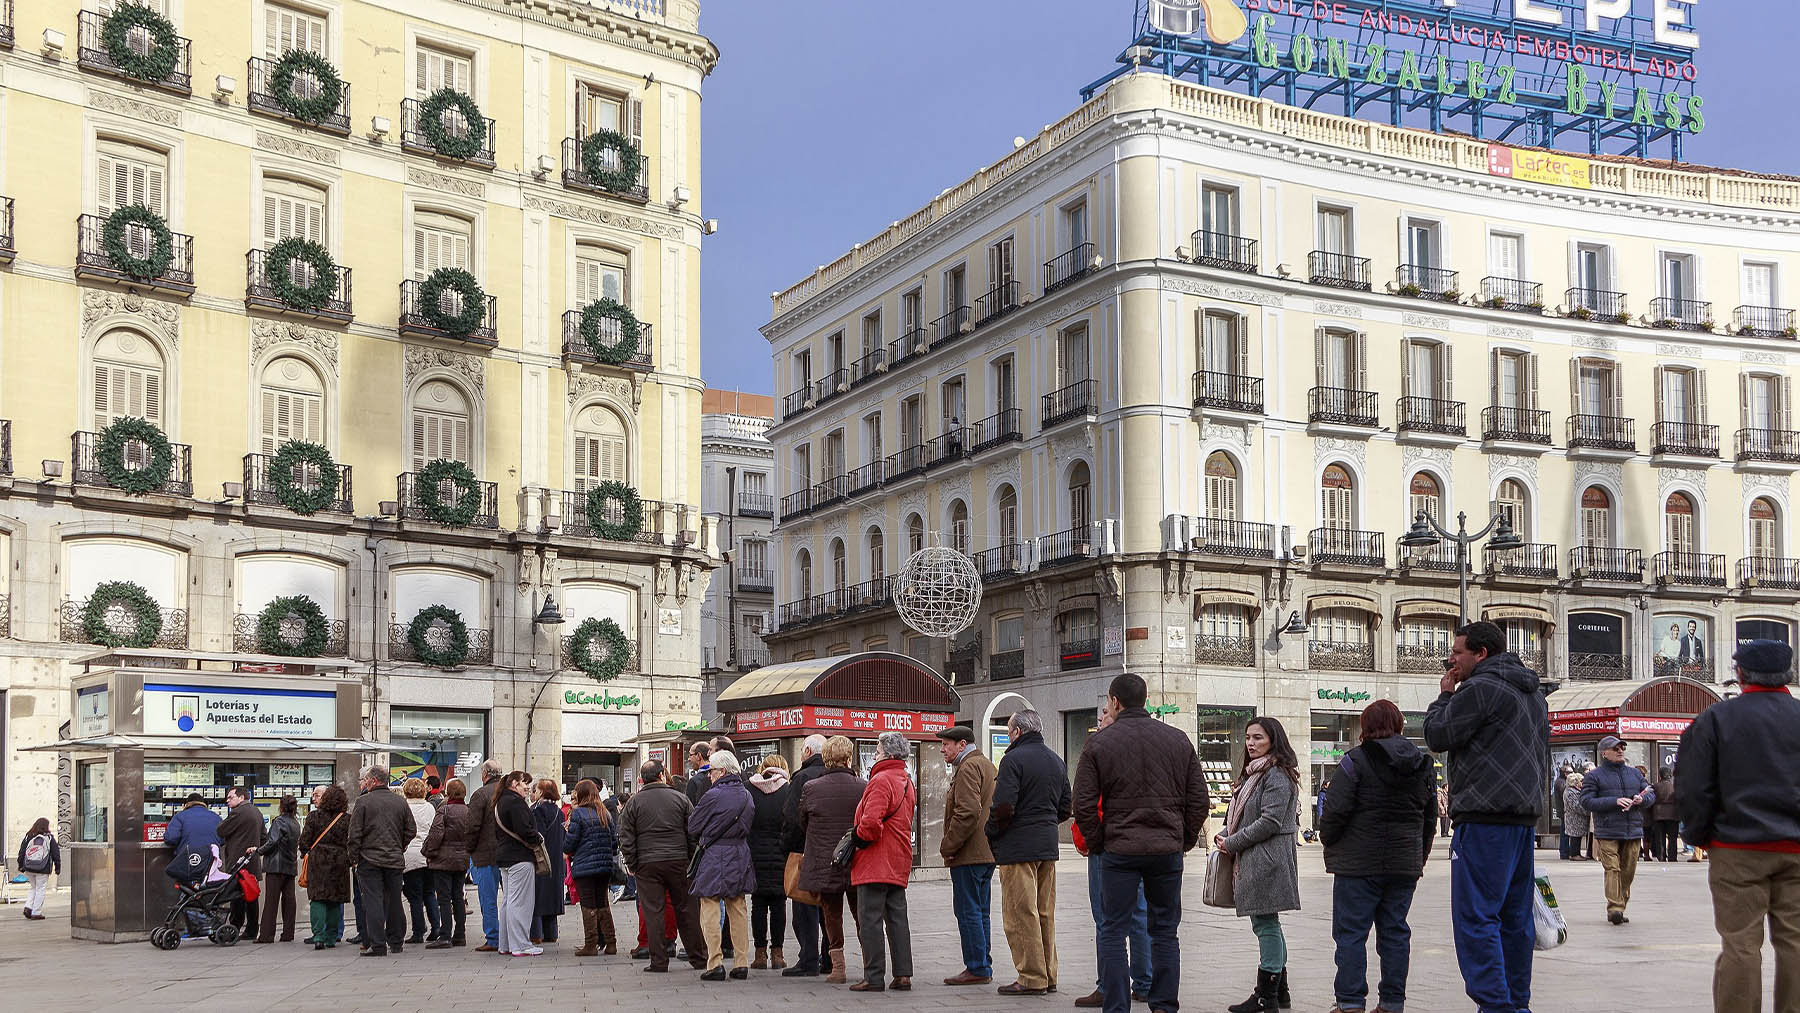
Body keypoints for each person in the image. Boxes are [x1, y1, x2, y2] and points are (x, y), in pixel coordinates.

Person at [1423, 620, 1549, 1013]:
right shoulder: (1533, 694)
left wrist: (1444, 697)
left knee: (1476, 917)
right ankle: (1516, 1002)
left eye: (1458, 651)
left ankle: (1496, 1006)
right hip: (1522, 820)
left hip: (1483, 816)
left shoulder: (1480, 688)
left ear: (1482, 653)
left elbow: (1438, 734)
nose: (1451, 658)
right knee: (1515, 919)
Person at [1073, 672, 1209, 1013]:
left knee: (1113, 929)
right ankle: (1163, 1004)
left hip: (1120, 850)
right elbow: (1199, 800)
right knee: (1165, 930)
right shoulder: (1178, 740)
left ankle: (1116, 1005)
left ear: (1115, 702)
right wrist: (1184, 839)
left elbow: (1084, 804)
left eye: (1108, 702)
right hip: (1165, 849)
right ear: (1145, 700)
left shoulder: (1099, 744)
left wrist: (1098, 841)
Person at [1678, 638, 1800, 1012]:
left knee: (1740, 944)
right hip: (1797, 849)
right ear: (1789, 673)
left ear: (1740, 673)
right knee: (1796, 943)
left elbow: (1694, 786)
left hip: (1737, 848)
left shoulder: (1715, 719)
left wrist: (1699, 835)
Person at [1319, 700, 1436, 1013]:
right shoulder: (1423, 764)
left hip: (1358, 866)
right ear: (1399, 724)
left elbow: (1335, 810)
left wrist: (1328, 840)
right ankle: (1392, 1002)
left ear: (1365, 727)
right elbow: (1430, 818)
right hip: (1402, 865)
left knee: (1350, 935)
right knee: (1395, 932)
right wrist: (1418, 857)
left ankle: (1350, 1002)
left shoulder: (1354, 761)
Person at [1216, 717, 1302, 1013]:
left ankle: (1266, 996)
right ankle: (1280, 991)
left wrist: (1233, 841)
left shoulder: (1276, 774)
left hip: (1268, 860)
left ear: (1273, 741)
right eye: (1249, 737)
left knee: (1265, 924)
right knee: (1268, 924)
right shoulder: (1256, 773)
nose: (1251, 743)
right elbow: (1245, 816)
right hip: (1259, 858)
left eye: (1258, 738)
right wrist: (1225, 832)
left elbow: (1270, 822)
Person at [1072, 706, 1153, 1009]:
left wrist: (1089, 839)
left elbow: (1086, 800)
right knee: (1139, 913)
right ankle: (1144, 983)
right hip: (1144, 843)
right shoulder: (1150, 743)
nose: (1100, 716)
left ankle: (1107, 985)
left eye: (1106, 710)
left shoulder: (1101, 747)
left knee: (1107, 919)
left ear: (1118, 709)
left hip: (1109, 846)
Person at [988, 709, 1072, 997]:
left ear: (1018, 733)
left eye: (1010, 731)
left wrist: (992, 832)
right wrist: (1044, 824)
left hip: (1017, 847)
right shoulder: (1056, 760)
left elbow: (1003, 807)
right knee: (1044, 912)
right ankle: (1049, 974)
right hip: (1047, 847)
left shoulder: (1013, 759)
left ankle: (1030, 976)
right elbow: (1065, 808)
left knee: (1020, 913)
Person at [618, 759, 707, 972]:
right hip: (678, 861)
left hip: (647, 863)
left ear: (642, 779)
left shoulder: (634, 802)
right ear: (661, 775)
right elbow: (693, 831)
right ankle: (699, 957)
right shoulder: (680, 798)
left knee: (653, 911)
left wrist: (632, 862)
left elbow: (626, 835)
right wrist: (689, 857)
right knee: (687, 910)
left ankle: (658, 961)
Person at [797, 734, 868, 984]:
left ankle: (838, 968)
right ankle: (871, 966)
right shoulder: (863, 786)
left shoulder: (811, 788)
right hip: (857, 859)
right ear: (849, 758)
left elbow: (803, 822)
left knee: (831, 914)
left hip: (826, 860)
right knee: (862, 914)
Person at [849, 731, 917, 993]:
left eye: (877, 751)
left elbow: (870, 824)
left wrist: (858, 837)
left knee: (871, 919)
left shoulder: (880, 780)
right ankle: (903, 975)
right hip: (898, 857)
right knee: (897, 918)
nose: (874, 755)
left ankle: (873, 976)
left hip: (875, 860)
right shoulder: (906, 781)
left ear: (887, 754)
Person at [936, 725, 998, 988]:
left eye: (947, 745)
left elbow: (968, 812)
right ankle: (982, 963)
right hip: (986, 852)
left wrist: (948, 845)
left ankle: (977, 966)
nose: (942, 749)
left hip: (969, 853)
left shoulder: (968, 767)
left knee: (968, 910)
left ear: (962, 744)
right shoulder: (986, 765)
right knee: (981, 911)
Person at [690, 750, 757, 981]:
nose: (709, 776)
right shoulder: (747, 795)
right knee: (737, 906)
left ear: (723, 771)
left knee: (709, 904)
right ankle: (741, 962)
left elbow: (693, 825)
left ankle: (715, 962)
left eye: (712, 771)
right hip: (740, 853)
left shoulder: (713, 795)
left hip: (715, 853)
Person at [1580, 735, 1655, 925]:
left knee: (1628, 872)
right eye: (1615, 748)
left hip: (1632, 830)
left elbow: (1650, 794)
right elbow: (1586, 801)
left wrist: (1642, 799)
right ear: (1604, 753)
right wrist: (1614, 801)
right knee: (1612, 869)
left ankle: (1620, 905)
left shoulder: (1635, 774)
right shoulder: (1594, 776)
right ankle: (1615, 908)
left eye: (1622, 747)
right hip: (1607, 831)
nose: (1620, 750)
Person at [348, 765, 416, 956]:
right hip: (394, 859)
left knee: (373, 902)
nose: (365, 783)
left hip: (369, 859)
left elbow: (354, 835)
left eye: (366, 780)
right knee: (394, 900)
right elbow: (411, 829)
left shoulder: (363, 802)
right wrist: (399, 845)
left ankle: (377, 944)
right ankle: (396, 941)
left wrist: (354, 858)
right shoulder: (400, 802)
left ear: (374, 781)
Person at [781, 733, 833, 977]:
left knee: (804, 907)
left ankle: (808, 959)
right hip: (832, 853)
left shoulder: (802, 778)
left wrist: (788, 848)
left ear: (808, 752)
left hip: (804, 851)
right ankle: (831, 957)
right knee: (828, 907)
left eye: (802, 750)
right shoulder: (839, 775)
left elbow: (792, 819)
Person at [489, 771, 544, 956]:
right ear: (513, 783)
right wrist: (536, 837)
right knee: (520, 903)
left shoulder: (500, 801)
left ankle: (505, 944)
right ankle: (521, 944)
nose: (528, 787)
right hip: (520, 857)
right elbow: (524, 829)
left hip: (504, 856)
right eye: (524, 783)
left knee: (508, 902)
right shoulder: (516, 802)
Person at [563, 778, 619, 956]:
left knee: (588, 905)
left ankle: (591, 944)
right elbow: (614, 843)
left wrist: (567, 843)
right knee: (603, 903)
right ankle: (611, 943)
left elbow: (570, 844)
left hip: (585, 866)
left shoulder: (579, 814)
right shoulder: (605, 812)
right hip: (604, 866)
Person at [747, 754, 792, 970]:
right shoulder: (787, 790)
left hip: (755, 854)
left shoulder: (750, 788)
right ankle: (778, 954)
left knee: (758, 904)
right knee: (778, 904)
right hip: (780, 853)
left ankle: (759, 954)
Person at [163, 792, 223, 935]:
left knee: (187, 892)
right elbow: (222, 839)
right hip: (210, 864)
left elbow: (171, 838)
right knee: (207, 893)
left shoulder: (180, 817)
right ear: (203, 804)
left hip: (189, 862)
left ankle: (187, 926)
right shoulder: (215, 817)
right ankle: (209, 924)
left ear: (186, 805)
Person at [421, 777, 471, 948]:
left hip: (443, 859)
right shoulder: (468, 811)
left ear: (448, 793)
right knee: (458, 896)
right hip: (461, 859)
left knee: (443, 898)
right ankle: (460, 934)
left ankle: (445, 935)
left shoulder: (444, 810)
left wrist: (428, 851)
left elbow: (436, 834)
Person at [300, 784, 351, 949]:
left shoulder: (314, 816)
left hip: (318, 861)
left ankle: (318, 936)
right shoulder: (347, 819)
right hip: (339, 862)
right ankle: (331, 937)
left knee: (317, 899)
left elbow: (304, 841)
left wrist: (306, 852)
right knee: (335, 901)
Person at [218, 785, 266, 935]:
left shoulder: (238, 812)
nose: (227, 801)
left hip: (238, 862)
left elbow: (221, 830)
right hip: (252, 861)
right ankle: (252, 928)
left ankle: (234, 927)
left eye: (230, 797)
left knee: (236, 895)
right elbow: (264, 837)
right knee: (251, 895)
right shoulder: (257, 811)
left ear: (241, 797)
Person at [255, 796, 301, 943]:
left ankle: (266, 935)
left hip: (276, 865)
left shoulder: (279, 821)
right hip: (290, 865)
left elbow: (272, 841)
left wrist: (258, 851)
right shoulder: (296, 823)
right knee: (289, 900)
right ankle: (288, 933)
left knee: (271, 901)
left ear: (281, 806)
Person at [400, 778, 440, 944]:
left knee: (414, 896)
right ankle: (436, 926)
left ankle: (418, 931)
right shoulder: (429, 807)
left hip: (409, 856)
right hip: (428, 855)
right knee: (430, 893)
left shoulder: (404, 807)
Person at [530, 779, 568, 945]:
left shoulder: (538, 811)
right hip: (556, 859)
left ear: (542, 792)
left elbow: (537, 836)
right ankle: (551, 933)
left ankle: (536, 934)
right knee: (551, 895)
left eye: (537, 789)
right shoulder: (559, 811)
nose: (535, 792)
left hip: (542, 859)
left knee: (538, 895)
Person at [15, 817, 60, 920]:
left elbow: (21, 851)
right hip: (42, 868)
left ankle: (28, 907)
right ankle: (36, 912)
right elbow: (56, 854)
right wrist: (58, 867)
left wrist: (20, 865)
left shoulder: (29, 836)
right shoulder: (49, 838)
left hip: (29, 868)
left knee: (33, 888)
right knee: (40, 889)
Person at [1651, 766, 1679, 862]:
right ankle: (1672, 857)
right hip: (1673, 814)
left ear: (1660, 776)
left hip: (1658, 814)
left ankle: (1661, 856)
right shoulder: (1675, 786)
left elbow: (1651, 800)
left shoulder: (1655, 786)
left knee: (1660, 837)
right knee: (1673, 838)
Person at [1563, 773, 1591, 863]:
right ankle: (1574, 854)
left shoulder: (1574, 791)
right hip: (1574, 819)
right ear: (1575, 782)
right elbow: (1576, 806)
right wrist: (1587, 811)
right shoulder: (1570, 792)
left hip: (1577, 819)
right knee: (1575, 836)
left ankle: (1577, 853)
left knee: (1577, 836)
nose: (1582, 783)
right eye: (1581, 781)